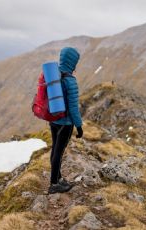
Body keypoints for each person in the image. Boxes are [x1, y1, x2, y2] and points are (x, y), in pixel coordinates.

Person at [48, 47, 83, 194]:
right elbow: (74, 108)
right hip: (66, 124)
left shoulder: (53, 76)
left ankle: (58, 178)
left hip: (53, 120)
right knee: (59, 152)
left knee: (55, 149)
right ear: (72, 62)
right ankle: (54, 184)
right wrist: (79, 126)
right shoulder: (70, 81)